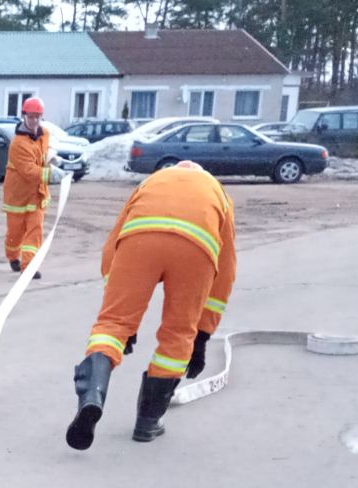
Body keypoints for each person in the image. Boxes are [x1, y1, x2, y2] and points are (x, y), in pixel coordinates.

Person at [65, 161, 236, 450]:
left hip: (140, 241)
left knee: (111, 326)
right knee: (179, 333)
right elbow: (226, 272)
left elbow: (111, 249)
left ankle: (92, 396)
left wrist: (120, 307)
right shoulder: (218, 192)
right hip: (196, 248)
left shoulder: (151, 182)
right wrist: (203, 335)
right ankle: (148, 421)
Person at [4, 97, 56, 277]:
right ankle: (13, 257)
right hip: (17, 196)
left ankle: (29, 266)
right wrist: (52, 175)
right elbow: (29, 170)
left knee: (35, 231)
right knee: (15, 233)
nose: (34, 121)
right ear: (24, 116)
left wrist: (52, 158)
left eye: (37, 117)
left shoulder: (44, 134)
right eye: (31, 117)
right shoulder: (18, 143)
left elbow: (45, 151)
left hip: (37, 193)